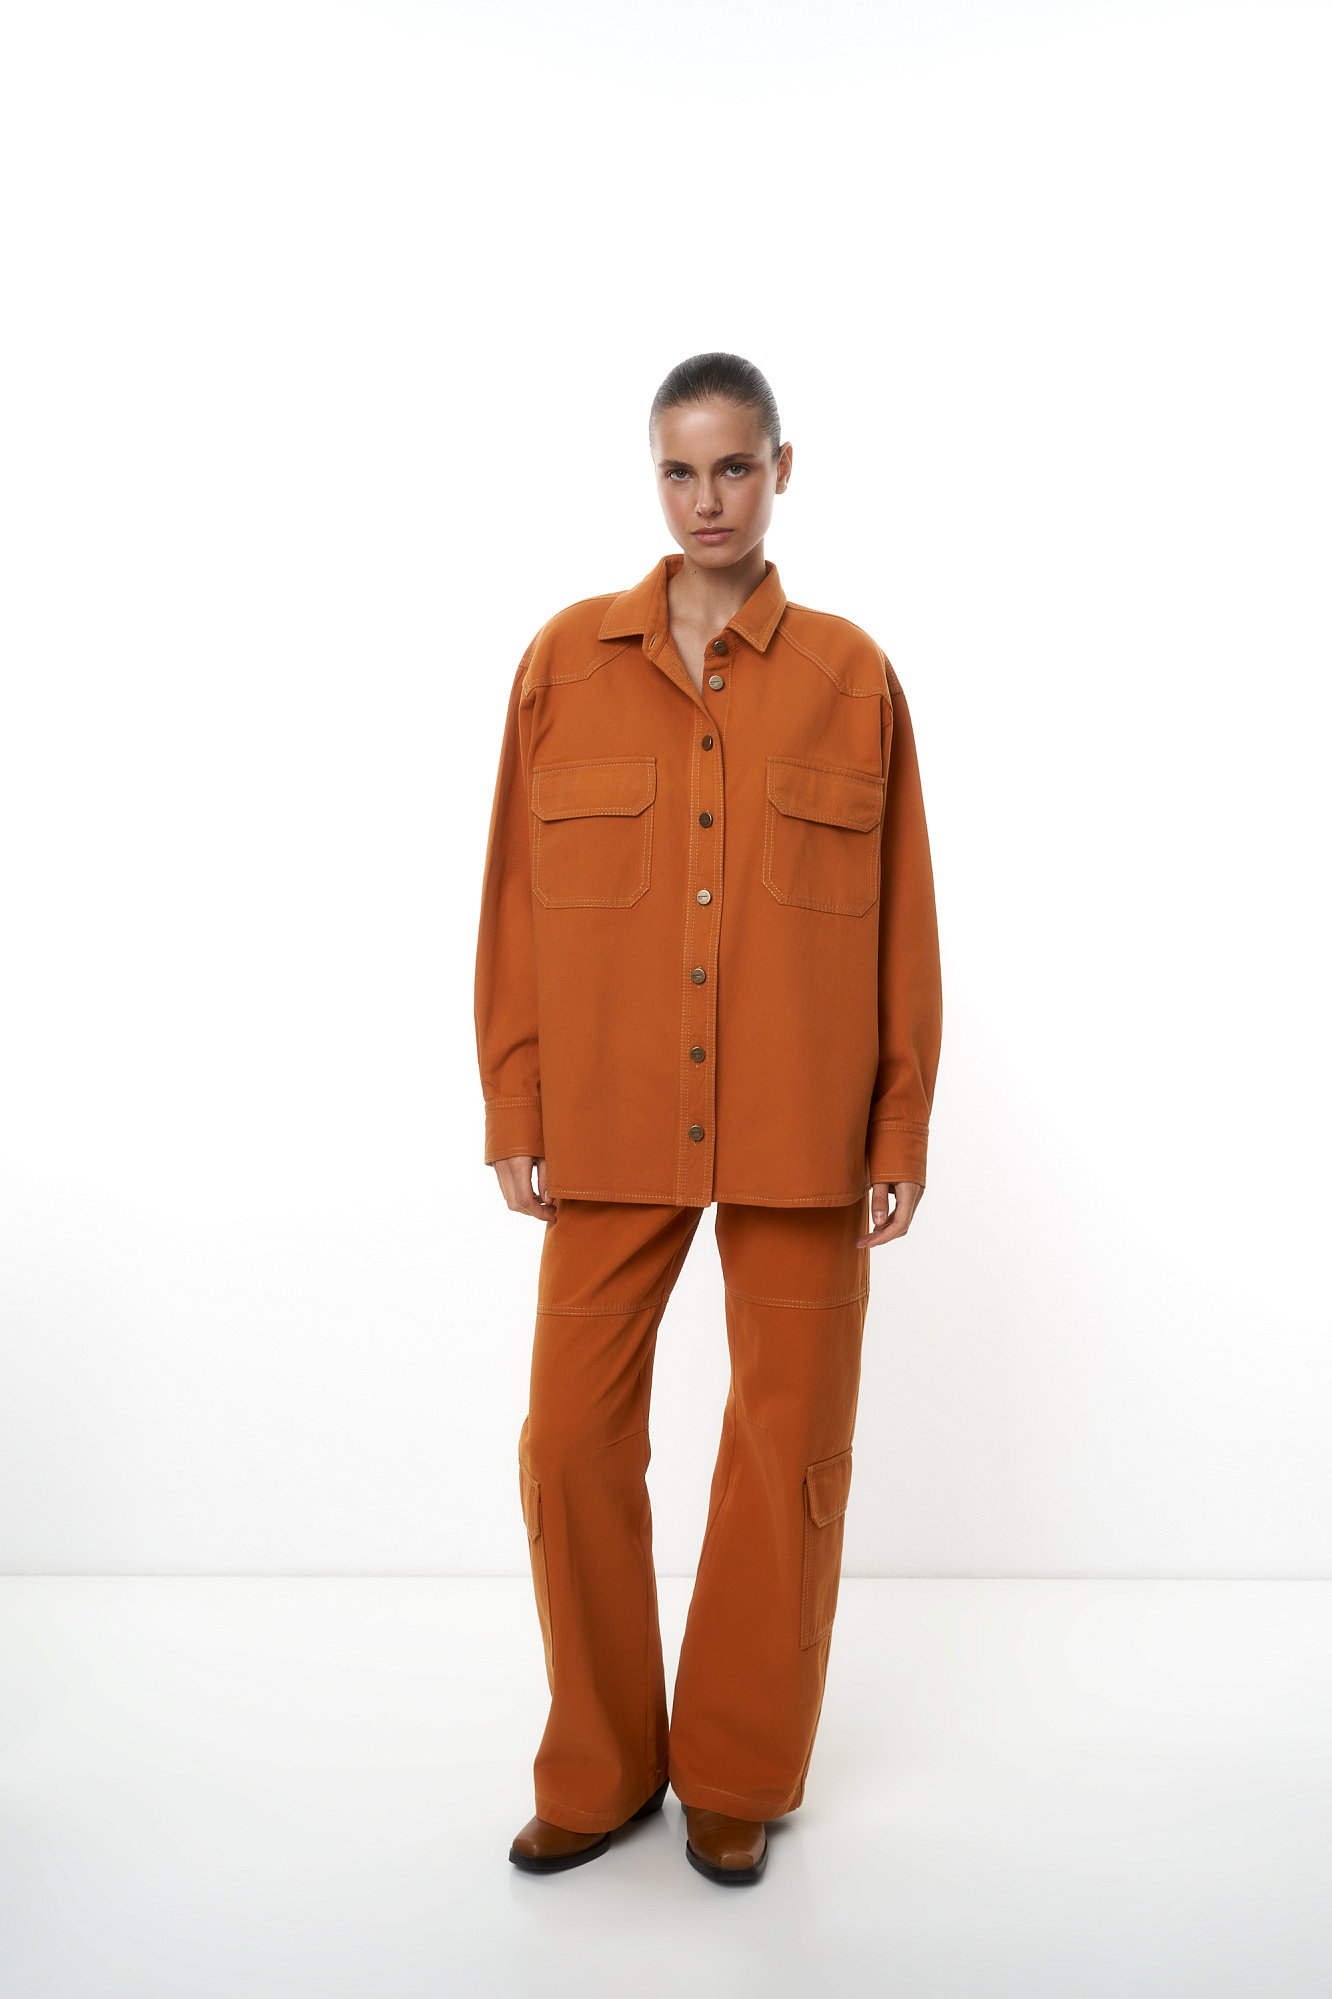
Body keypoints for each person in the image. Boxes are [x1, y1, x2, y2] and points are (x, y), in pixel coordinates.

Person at [473, 352, 942, 1885]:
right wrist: (516, 1096)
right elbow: (513, 899)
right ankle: (603, 1764)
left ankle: (737, 1768)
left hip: (802, 1126)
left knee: (787, 1447)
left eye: (734, 467)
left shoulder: (854, 679)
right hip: (611, 1118)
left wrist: (897, 1124)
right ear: (654, 477)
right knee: (567, 1441)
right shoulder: (563, 664)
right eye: (680, 471)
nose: (707, 501)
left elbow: (903, 923)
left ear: (781, 468)